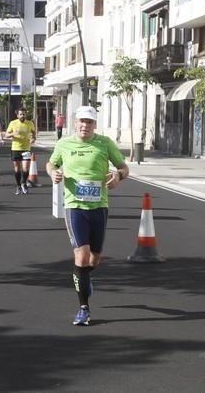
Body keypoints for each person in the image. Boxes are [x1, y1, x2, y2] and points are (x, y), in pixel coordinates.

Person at [45, 106, 129, 326]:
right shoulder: (64, 144)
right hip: (74, 206)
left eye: (89, 122)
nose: (85, 126)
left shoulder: (104, 143)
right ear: (75, 123)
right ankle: (84, 308)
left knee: (94, 258)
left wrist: (118, 176)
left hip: (99, 206)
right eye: (82, 121)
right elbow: (51, 162)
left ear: (95, 125)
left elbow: (124, 167)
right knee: (81, 256)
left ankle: (83, 278)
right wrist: (53, 172)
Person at [5, 108, 37, 195]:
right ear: (17, 115)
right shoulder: (13, 123)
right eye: (21, 114)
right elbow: (6, 135)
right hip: (15, 148)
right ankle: (18, 186)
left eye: (24, 114)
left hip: (26, 148)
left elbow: (34, 133)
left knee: (26, 168)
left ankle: (24, 183)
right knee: (17, 168)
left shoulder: (30, 123)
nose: (22, 116)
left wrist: (33, 138)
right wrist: (12, 134)